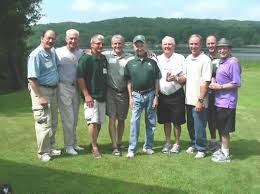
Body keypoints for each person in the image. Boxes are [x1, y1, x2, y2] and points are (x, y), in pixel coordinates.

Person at [124, 35, 161, 158]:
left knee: (151, 121)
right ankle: (132, 149)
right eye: (137, 45)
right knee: (134, 122)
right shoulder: (130, 63)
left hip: (151, 94)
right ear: (133, 46)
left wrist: (156, 96)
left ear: (145, 46)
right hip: (136, 95)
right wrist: (130, 97)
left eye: (141, 45)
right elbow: (128, 82)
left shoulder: (152, 62)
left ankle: (148, 146)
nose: (139, 48)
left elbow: (157, 80)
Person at [27, 30, 60, 162]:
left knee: (53, 122)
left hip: (53, 91)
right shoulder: (36, 55)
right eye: (48, 38)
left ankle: (50, 147)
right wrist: (40, 97)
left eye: (53, 39)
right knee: (44, 122)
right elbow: (31, 78)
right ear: (42, 38)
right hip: (41, 91)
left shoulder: (51, 52)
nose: (51, 41)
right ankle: (43, 153)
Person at [209, 38, 241, 162]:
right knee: (221, 128)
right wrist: (214, 83)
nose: (222, 50)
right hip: (219, 101)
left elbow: (236, 82)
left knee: (224, 130)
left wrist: (220, 86)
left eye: (224, 48)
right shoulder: (221, 62)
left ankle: (226, 155)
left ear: (229, 49)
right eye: (220, 48)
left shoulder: (232, 62)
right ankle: (223, 150)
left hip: (227, 102)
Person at [77, 34, 108, 159]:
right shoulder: (85, 59)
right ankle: (94, 147)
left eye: (102, 43)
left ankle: (93, 142)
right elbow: (80, 77)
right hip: (91, 96)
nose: (100, 45)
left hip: (102, 96)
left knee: (99, 122)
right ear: (92, 44)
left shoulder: (103, 58)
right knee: (93, 122)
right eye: (97, 43)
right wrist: (86, 95)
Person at [102, 35, 132, 156]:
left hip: (123, 92)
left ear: (123, 44)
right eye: (115, 44)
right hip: (110, 91)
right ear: (111, 44)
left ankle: (119, 142)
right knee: (112, 118)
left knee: (121, 119)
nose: (117, 46)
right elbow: (93, 52)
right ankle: (114, 145)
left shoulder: (129, 58)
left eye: (119, 43)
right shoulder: (106, 55)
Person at [56, 29, 84, 155]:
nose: (73, 40)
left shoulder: (81, 53)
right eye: (71, 38)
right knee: (68, 118)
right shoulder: (57, 52)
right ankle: (68, 146)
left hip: (76, 89)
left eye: (75, 38)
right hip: (63, 87)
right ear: (66, 39)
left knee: (75, 118)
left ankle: (74, 143)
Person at [157, 36, 186, 154]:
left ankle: (177, 143)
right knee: (166, 120)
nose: (167, 46)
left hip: (176, 94)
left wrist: (176, 78)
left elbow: (185, 78)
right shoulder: (157, 59)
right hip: (162, 95)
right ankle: (168, 142)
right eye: (165, 44)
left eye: (170, 44)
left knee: (177, 121)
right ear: (162, 46)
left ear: (174, 46)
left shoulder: (180, 58)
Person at [185, 34, 212, 158]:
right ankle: (194, 143)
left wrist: (200, 100)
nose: (193, 46)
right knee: (191, 124)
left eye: (196, 44)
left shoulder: (205, 60)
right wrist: (175, 78)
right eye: (191, 44)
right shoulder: (188, 59)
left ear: (200, 44)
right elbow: (185, 77)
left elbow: (206, 82)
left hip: (199, 100)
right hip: (188, 99)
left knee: (199, 125)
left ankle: (201, 148)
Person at [206, 35, 221, 151]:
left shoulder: (224, 57)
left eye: (213, 43)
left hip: (221, 94)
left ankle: (222, 142)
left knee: (220, 118)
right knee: (210, 118)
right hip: (208, 93)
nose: (211, 45)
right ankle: (213, 140)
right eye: (209, 43)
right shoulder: (205, 58)